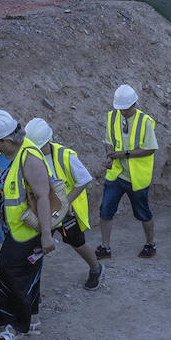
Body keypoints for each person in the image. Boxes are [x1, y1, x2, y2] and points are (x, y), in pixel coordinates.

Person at [0, 110, 56, 340]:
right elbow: (7, 184)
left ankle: (12, 325)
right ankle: (30, 318)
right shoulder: (8, 155)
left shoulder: (29, 157)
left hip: (29, 230)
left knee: (8, 270)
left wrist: (46, 236)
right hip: (14, 228)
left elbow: (43, 197)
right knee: (26, 271)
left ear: (6, 140)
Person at [25, 117, 103, 290]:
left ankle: (96, 268)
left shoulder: (65, 155)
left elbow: (84, 179)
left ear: (48, 141)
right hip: (44, 210)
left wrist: (65, 203)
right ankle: (31, 287)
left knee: (77, 243)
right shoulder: (31, 157)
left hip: (65, 212)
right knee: (38, 248)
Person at [97, 84, 158, 259]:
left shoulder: (144, 121)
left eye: (125, 109)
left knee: (143, 212)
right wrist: (109, 156)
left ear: (134, 104)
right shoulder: (112, 117)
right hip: (116, 174)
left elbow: (151, 148)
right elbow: (108, 140)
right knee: (105, 210)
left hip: (136, 178)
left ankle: (150, 244)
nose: (122, 112)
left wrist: (125, 154)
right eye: (119, 108)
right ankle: (105, 247)